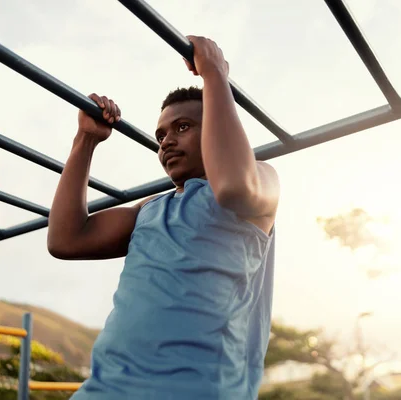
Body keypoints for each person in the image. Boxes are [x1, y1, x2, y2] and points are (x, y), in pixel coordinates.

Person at [47, 35, 280, 399]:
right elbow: (65, 239)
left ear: (218, 123)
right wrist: (85, 141)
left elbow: (234, 183)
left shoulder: (259, 181)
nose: (167, 141)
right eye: (161, 135)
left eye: (183, 127)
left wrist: (215, 75)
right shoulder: (149, 208)